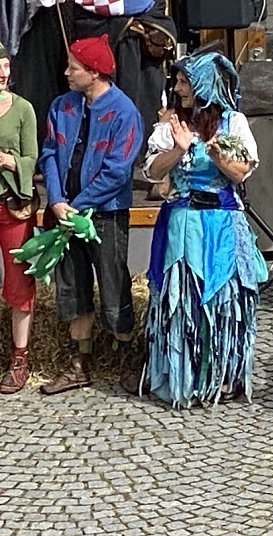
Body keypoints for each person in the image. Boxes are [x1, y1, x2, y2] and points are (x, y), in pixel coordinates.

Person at [129, 52, 268, 407]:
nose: (177, 88)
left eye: (183, 82)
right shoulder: (172, 124)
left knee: (221, 299)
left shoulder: (234, 123)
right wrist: (178, 150)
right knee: (184, 300)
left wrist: (215, 152)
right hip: (184, 225)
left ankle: (222, 374)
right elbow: (154, 172)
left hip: (222, 223)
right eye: (176, 82)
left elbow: (240, 173)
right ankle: (185, 374)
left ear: (205, 85)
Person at [39, 35, 143, 394]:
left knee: (114, 287)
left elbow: (117, 170)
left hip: (105, 215)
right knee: (73, 289)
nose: (66, 72)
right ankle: (78, 364)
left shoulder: (124, 112)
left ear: (95, 72)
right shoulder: (61, 106)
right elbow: (50, 153)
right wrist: (56, 199)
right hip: (65, 211)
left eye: (74, 67)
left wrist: (81, 203)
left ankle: (130, 360)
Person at [0, 43, 38, 393]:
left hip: (12, 204)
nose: (3, 74)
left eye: (7, 66)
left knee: (18, 282)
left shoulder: (23, 109)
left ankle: (19, 358)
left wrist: (9, 161)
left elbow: (32, 159)